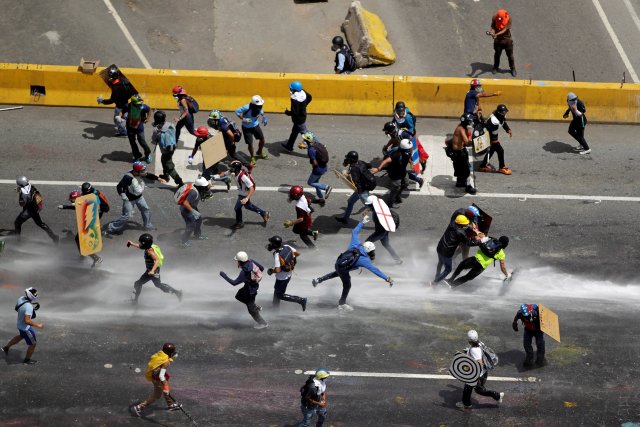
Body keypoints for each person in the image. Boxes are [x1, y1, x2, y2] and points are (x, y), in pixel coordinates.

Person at [312, 217, 393, 310]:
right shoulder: (364, 260)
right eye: (372, 251)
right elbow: (376, 270)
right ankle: (341, 303)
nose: (373, 253)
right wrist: (387, 278)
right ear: (369, 251)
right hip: (343, 269)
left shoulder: (356, 244)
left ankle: (318, 280)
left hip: (338, 263)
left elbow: (354, 232)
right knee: (347, 285)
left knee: (338, 272)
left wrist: (362, 222)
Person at [105, 162, 165, 235]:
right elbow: (119, 186)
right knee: (127, 215)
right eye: (142, 171)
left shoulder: (140, 173)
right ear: (136, 171)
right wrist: (123, 195)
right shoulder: (128, 177)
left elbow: (148, 175)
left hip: (139, 197)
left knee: (146, 209)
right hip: (129, 199)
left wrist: (158, 178)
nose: (144, 172)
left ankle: (147, 225)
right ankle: (111, 228)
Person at [128, 233, 182, 303]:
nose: (140, 244)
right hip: (150, 270)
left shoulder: (150, 251)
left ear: (145, 244)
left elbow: (157, 260)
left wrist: (152, 271)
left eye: (141, 242)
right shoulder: (150, 246)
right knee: (154, 284)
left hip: (153, 271)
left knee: (152, 284)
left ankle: (177, 292)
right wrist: (132, 244)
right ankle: (177, 292)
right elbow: (141, 246)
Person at [456, 330, 504, 410]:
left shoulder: (474, 350)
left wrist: (477, 377)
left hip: (477, 374)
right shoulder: (480, 343)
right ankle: (466, 403)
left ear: (469, 340)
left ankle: (497, 396)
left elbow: (480, 363)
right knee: (469, 388)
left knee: (476, 390)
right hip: (483, 373)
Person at [219, 251, 269, 329]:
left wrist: (224, 275)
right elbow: (262, 268)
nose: (237, 263)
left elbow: (234, 283)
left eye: (237, 261)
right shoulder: (251, 261)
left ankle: (263, 324)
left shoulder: (245, 271)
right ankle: (255, 306)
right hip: (251, 286)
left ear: (240, 261)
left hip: (250, 291)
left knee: (251, 310)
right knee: (239, 295)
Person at [132, 343, 182, 416]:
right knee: (156, 396)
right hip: (158, 379)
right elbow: (161, 376)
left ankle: (171, 405)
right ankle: (139, 407)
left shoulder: (160, 354)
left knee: (166, 391)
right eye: (173, 352)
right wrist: (166, 386)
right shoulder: (166, 362)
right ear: (171, 353)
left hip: (155, 375)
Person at [432, 214, 482, 286]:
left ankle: (437, 276)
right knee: (448, 269)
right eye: (465, 224)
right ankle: (434, 283)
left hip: (440, 247)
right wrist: (480, 241)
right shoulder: (461, 232)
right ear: (461, 225)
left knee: (440, 262)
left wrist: (473, 229)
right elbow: (469, 243)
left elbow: (464, 226)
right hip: (447, 252)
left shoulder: (452, 225)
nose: (467, 224)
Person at [58, 190, 103, 267]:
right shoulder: (82, 200)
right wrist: (64, 206)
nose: (71, 201)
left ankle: (96, 258)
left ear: (75, 199)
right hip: (89, 223)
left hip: (89, 225)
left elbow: (77, 207)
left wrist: (65, 206)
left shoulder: (81, 202)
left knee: (83, 243)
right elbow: (75, 207)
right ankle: (84, 255)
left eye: (72, 200)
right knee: (78, 240)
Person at [445, 236, 511, 287]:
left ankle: (450, 280)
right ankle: (452, 285)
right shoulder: (502, 254)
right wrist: (506, 274)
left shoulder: (490, 240)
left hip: (474, 260)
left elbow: (480, 238)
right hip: (481, 267)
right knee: (467, 277)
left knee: (461, 266)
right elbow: (502, 267)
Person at [222, 160, 269, 230]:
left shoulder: (243, 177)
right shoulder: (233, 172)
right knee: (248, 206)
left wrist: (246, 198)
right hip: (242, 192)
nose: (230, 169)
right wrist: (214, 175)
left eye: (232, 167)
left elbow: (252, 188)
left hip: (244, 194)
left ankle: (239, 223)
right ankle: (264, 213)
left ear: (236, 169)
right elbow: (223, 174)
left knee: (237, 208)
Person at [2, 287, 43, 365]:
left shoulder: (21, 298)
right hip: (26, 328)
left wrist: (26, 311)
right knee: (33, 344)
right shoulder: (29, 307)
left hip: (19, 325)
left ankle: (6, 348)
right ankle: (27, 361)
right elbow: (27, 321)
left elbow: (16, 309)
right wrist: (38, 325)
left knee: (21, 336)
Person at [266, 235, 307, 311]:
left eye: (271, 243)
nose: (270, 244)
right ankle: (275, 309)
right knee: (277, 292)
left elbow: (278, 270)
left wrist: (271, 271)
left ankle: (301, 300)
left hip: (282, 278)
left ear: (274, 245)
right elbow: (297, 253)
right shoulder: (287, 246)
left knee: (280, 295)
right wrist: (288, 262)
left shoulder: (277, 254)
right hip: (289, 274)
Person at [14, 176, 59, 244]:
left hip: (27, 211)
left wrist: (19, 194)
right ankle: (54, 237)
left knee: (17, 223)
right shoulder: (31, 187)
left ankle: (18, 241)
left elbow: (22, 204)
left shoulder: (23, 193)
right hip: (35, 209)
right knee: (40, 223)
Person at [335, 151, 376, 224]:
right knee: (350, 201)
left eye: (348, 158)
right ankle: (345, 219)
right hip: (363, 187)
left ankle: (383, 218)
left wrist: (345, 176)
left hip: (362, 191)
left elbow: (355, 183)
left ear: (351, 160)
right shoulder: (360, 162)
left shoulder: (354, 169)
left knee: (371, 207)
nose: (346, 159)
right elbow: (369, 165)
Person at [371, 138, 412, 208]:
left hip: (403, 172)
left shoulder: (407, 152)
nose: (411, 149)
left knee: (406, 183)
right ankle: (390, 203)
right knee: (395, 189)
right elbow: (385, 161)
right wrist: (378, 168)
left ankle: (397, 196)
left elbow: (408, 157)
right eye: (410, 148)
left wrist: (411, 162)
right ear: (405, 149)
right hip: (395, 175)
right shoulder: (397, 154)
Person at [97, 65, 137, 136]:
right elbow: (132, 93)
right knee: (125, 118)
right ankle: (128, 128)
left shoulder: (116, 88)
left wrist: (102, 101)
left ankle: (123, 132)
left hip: (119, 107)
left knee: (117, 120)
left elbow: (111, 100)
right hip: (126, 104)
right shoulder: (124, 81)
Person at [363, 195, 402, 264]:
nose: (368, 206)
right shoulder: (378, 208)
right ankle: (398, 259)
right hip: (384, 232)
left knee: (367, 243)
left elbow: (395, 215)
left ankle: (370, 260)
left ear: (373, 205)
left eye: (369, 205)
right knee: (386, 245)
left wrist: (393, 227)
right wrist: (367, 209)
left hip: (380, 232)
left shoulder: (381, 211)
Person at [151, 111, 183, 187]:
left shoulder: (156, 130)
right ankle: (165, 175)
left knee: (169, 166)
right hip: (173, 147)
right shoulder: (171, 125)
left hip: (165, 150)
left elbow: (153, 141)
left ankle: (180, 182)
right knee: (164, 160)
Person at [479, 104, 512, 174]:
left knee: (491, 150)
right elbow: (493, 133)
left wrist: (508, 129)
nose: (505, 113)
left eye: (505, 112)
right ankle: (502, 167)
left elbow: (503, 123)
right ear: (499, 112)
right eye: (503, 112)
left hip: (492, 133)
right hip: (488, 134)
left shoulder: (501, 116)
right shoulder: (494, 121)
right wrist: (495, 141)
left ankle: (482, 165)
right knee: (500, 150)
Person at [236, 95, 269, 164]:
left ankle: (259, 152)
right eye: (258, 105)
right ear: (254, 104)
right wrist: (243, 119)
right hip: (246, 128)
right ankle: (252, 157)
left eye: (260, 105)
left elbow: (261, 111)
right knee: (250, 144)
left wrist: (264, 117)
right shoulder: (247, 107)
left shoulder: (259, 107)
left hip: (256, 125)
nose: (260, 106)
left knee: (262, 140)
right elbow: (237, 111)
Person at [448, 114, 477, 194]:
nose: (470, 123)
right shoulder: (461, 129)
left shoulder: (461, 126)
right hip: (459, 152)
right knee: (466, 169)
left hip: (456, 152)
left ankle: (460, 182)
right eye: (469, 121)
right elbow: (467, 143)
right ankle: (468, 186)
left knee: (459, 167)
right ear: (466, 122)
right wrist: (471, 135)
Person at [177, 177, 208, 248]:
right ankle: (184, 241)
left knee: (199, 220)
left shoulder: (195, 186)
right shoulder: (193, 193)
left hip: (192, 207)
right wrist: (193, 212)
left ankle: (197, 235)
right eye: (204, 187)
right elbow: (185, 203)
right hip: (186, 210)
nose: (205, 187)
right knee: (190, 226)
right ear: (200, 187)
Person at [303, 132, 332, 206]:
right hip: (324, 167)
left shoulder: (311, 150)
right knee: (316, 183)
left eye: (304, 139)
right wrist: (305, 147)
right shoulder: (317, 143)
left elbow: (315, 163)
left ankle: (326, 187)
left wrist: (313, 165)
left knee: (310, 182)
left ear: (306, 140)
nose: (303, 140)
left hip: (318, 169)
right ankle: (321, 199)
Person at [121, 94, 152, 163]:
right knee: (132, 142)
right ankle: (137, 156)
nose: (139, 104)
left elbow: (149, 110)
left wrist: (147, 118)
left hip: (139, 126)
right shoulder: (128, 106)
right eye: (137, 103)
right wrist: (120, 117)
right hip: (129, 126)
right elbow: (122, 112)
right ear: (133, 103)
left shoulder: (143, 107)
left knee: (142, 141)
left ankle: (147, 154)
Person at [282, 81, 312, 152]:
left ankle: (317, 147)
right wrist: (304, 106)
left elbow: (295, 112)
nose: (290, 90)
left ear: (294, 89)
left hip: (298, 120)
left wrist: (288, 113)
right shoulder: (303, 92)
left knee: (306, 135)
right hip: (302, 116)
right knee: (294, 132)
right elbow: (310, 97)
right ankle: (289, 146)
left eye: (291, 89)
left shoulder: (294, 98)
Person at [488, 9, 515, 77]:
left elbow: (504, 30)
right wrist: (491, 32)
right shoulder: (494, 18)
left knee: (510, 56)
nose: (499, 20)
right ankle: (495, 67)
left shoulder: (509, 20)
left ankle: (513, 69)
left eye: (501, 19)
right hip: (498, 41)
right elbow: (493, 27)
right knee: (497, 55)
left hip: (507, 41)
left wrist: (496, 34)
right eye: (498, 18)